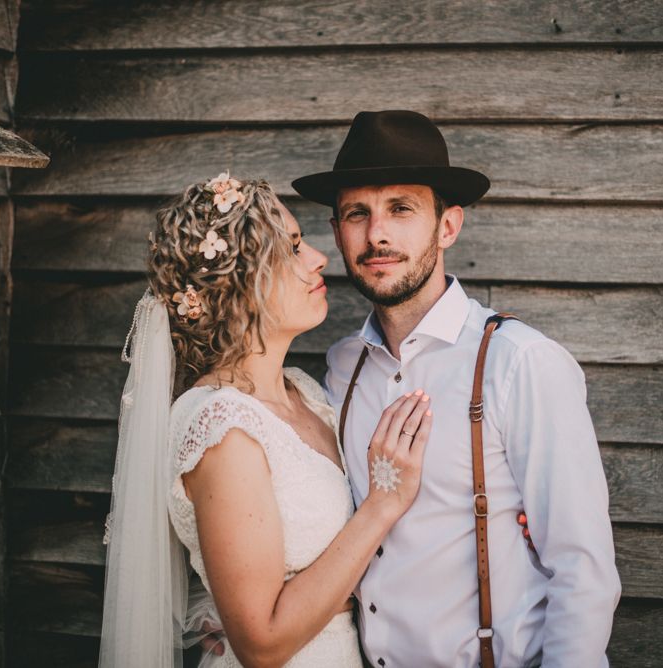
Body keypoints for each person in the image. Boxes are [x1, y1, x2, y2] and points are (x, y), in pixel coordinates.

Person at [292, 110, 622, 667]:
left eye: (401, 209)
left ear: (447, 226)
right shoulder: (342, 369)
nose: (377, 234)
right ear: (337, 232)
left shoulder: (520, 364)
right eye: (358, 213)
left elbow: (582, 571)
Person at [98, 175, 434, 667]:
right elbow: (262, 641)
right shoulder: (222, 427)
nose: (318, 257)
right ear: (241, 283)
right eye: (293, 248)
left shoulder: (308, 392)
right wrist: (383, 504)